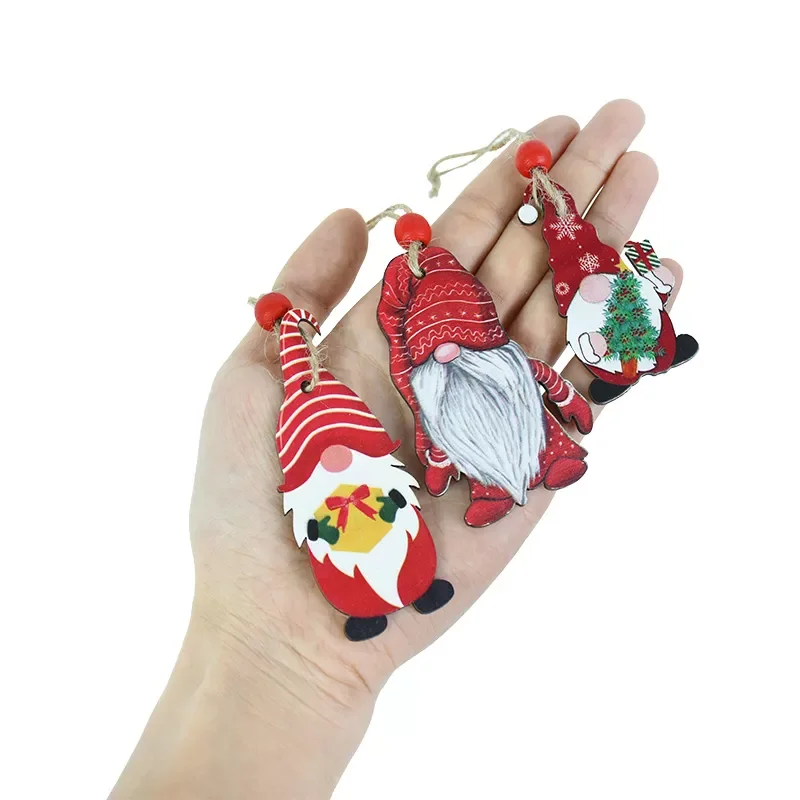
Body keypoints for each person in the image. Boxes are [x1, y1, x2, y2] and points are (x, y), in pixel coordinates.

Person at [110, 100, 683, 799]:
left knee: (533, 428)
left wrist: (568, 405)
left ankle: (546, 459)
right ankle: (493, 492)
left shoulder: (492, 365)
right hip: (430, 447)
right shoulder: (406, 409)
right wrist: (437, 460)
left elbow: (541, 381)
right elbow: (432, 436)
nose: (445, 351)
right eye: (432, 348)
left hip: (500, 404)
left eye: (451, 341)